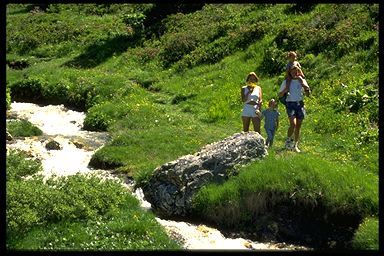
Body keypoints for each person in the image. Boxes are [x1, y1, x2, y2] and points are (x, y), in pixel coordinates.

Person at [279, 64, 310, 152]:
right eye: (292, 71)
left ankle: (295, 145)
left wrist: (306, 89)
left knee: (298, 126)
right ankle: (288, 140)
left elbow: (308, 94)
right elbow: (280, 95)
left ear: (298, 72)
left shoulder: (302, 80)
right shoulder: (286, 81)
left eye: (296, 71)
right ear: (289, 72)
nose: (294, 73)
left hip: (300, 104)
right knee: (293, 124)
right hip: (290, 104)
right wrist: (286, 90)